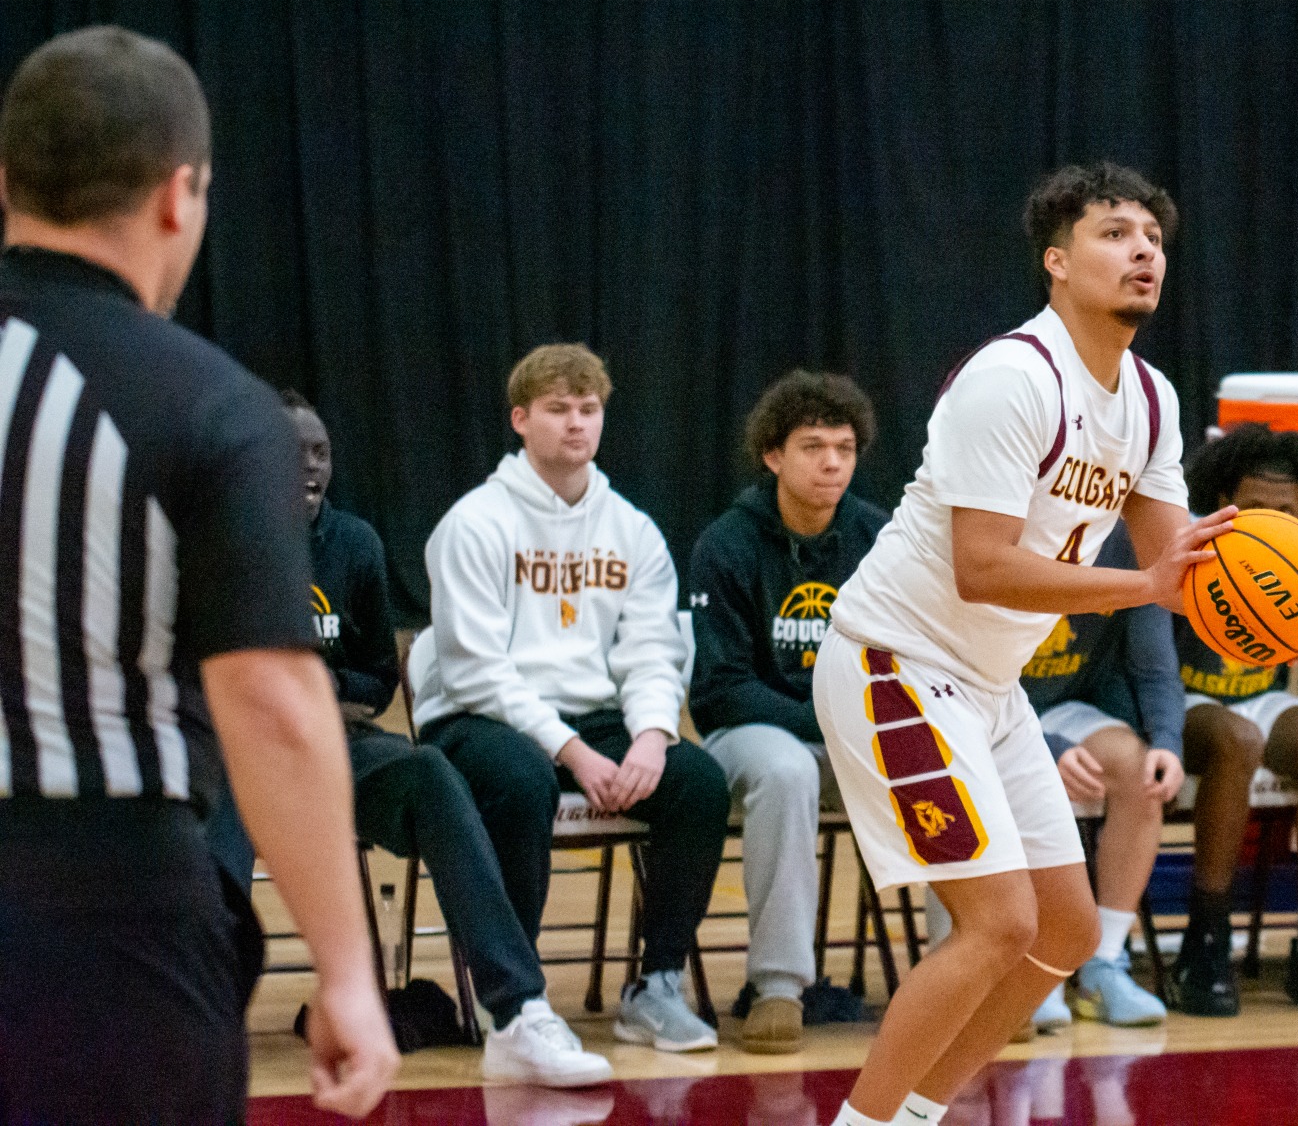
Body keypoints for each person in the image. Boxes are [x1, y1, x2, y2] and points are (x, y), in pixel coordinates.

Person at [0, 26, 397, 1120]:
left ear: (7, 181)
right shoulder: (209, 404)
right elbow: (270, 700)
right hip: (102, 904)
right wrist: (347, 975)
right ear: (182, 195)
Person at [812, 162, 1234, 1126]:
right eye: (1116, 233)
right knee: (998, 922)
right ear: (1056, 261)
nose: (1143, 252)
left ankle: (913, 1118)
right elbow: (984, 568)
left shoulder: (1153, 399)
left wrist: (1267, 591)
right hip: (896, 664)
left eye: (1154, 239)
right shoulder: (1011, 378)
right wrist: (1144, 584)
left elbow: (1182, 566)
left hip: (988, 686)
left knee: (1069, 927)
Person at [283, 391, 612, 1082]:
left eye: (320, 452)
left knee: (431, 768)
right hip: (235, 752)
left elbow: (377, 673)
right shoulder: (214, 537)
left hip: (333, 741)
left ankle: (515, 1011)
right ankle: (190, 1015)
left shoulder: (356, 545)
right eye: (291, 451)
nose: (309, 467)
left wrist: (331, 699)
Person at [411, 344, 730, 1053]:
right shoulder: (475, 522)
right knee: (521, 781)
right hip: (479, 720)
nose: (577, 423)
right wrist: (573, 751)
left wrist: (652, 733)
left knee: (699, 783)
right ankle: (516, 1003)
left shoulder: (633, 528)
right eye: (558, 409)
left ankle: (656, 986)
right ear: (520, 419)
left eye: (589, 409)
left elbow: (652, 648)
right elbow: (473, 670)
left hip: (594, 719)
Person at [686, 369, 887, 1055]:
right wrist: (831, 721)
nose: (832, 462)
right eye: (812, 446)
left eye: (844, 447)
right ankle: (778, 985)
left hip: (851, 737)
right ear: (773, 454)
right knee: (788, 769)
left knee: (943, 766)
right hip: (749, 737)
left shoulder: (879, 537)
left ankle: (967, 971)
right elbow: (719, 688)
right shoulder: (726, 544)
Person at [1171, 422, 1298, 1017]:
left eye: (1281, 510)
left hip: (1258, 697)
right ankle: (1204, 941)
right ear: (1217, 500)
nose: (1264, 519)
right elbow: (1148, 659)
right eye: (1250, 506)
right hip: (1183, 699)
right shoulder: (1185, 545)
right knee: (1238, 738)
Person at [1020, 520, 1184, 1030]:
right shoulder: (1002, 525)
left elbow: (1156, 665)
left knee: (1141, 774)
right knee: (1027, 779)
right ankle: (1030, 970)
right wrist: (1042, 749)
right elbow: (963, 672)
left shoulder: (1130, 536)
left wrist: (1167, 743)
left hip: (1068, 704)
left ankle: (1103, 964)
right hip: (986, 704)